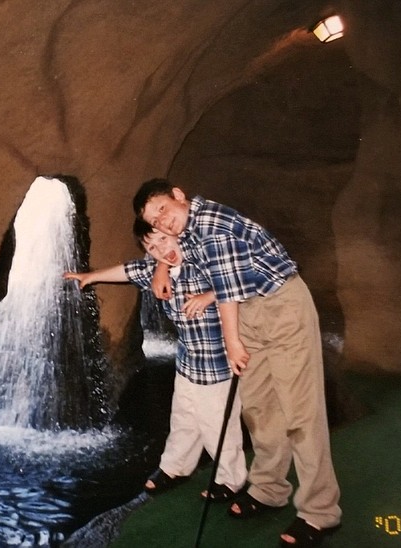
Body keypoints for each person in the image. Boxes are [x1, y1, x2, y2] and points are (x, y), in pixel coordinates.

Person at [133, 178, 341, 548]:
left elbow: (227, 293)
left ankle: (319, 512)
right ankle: (268, 489)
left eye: (163, 210)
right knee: (259, 409)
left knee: (300, 413)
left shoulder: (213, 224)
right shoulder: (189, 228)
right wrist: (162, 270)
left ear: (179, 196)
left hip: (281, 308)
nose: (163, 223)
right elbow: (173, 253)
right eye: (155, 221)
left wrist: (232, 344)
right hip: (248, 313)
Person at [64, 219, 247, 501]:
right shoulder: (155, 268)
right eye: (152, 246)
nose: (161, 249)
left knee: (218, 424)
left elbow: (240, 277)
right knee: (184, 418)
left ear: (177, 235)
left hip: (218, 362)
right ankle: (175, 468)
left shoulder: (202, 259)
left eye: (163, 239)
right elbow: (127, 270)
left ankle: (231, 480)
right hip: (188, 360)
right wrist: (92, 276)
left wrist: (209, 296)